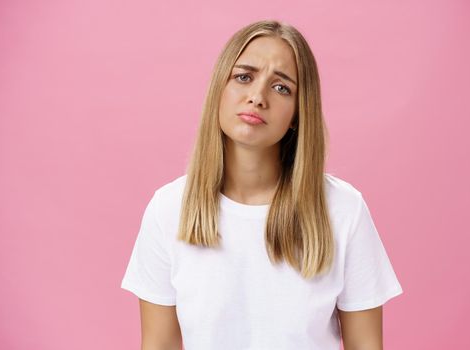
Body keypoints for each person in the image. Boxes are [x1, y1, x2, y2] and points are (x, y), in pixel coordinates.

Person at [121, 19, 403, 350]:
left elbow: (366, 345)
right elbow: (159, 344)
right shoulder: (168, 209)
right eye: (244, 77)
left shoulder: (343, 210)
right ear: (219, 90)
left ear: (298, 113)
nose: (257, 97)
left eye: (281, 87)